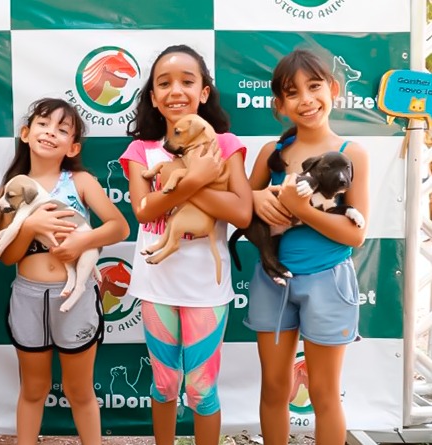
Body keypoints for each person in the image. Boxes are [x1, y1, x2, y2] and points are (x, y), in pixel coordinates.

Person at [119, 44, 253, 445]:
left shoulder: (225, 145)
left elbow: (242, 213)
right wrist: (195, 180)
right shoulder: (142, 151)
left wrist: (185, 185)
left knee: (201, 389)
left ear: (204, 92)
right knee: (164, 385)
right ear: (153, 97)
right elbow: (143, 211)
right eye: (164, 83)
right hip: (156, 286)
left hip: (206, 290)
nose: (176, 90)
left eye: (187, 81)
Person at [244, 48, 369, 445]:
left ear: (333, 89)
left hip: (328, 281)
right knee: (274, 388)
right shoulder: (272, 153)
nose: (306, 99)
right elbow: (240, 211)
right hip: (273, 281)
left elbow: (355, 234)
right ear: (280, 105)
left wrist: (301, 209)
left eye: (314, 87)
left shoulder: (351, 154)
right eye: (292, 92)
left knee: (323, 394)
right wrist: (254, 200)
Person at [0, 98, 129, 445]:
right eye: (43, 124)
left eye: (62, 128)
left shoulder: (81, 181)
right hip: (28, 297)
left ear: (73, 146)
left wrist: (81, 243)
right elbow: (8, 257)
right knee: (33, 389)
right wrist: (29, 227)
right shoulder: (13, 186)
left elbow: (119, 227)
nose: (50, 132)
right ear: (26, 134)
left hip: (76, 297)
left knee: (79, 390)